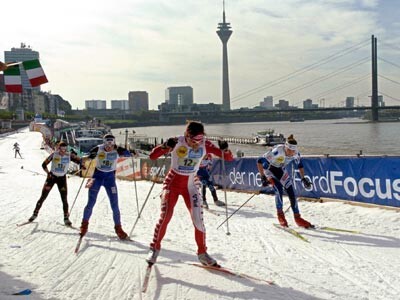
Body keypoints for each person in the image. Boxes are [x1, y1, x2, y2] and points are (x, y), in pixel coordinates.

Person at [146, 121, 234, 267]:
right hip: (172, 183)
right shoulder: (176, 141)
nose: (196, 144)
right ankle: (154, 249)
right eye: (193, 141)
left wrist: (225, 149)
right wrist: (164, 146)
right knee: (166, 216)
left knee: (198, 218)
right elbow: (153, 156)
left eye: (199, 141)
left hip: (191, 185)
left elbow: (228, 158)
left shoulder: (206, 144)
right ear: (187, 136)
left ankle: (202, 253)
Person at [79, 134, 131, 240]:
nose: (109, 146)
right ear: (104, 142)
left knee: (115, 205)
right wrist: (84, 160)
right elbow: (87, 157)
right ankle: (84, 226)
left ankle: (118, 229)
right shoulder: (98, 149)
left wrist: (127, 151)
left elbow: (129, 154)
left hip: (110, 180)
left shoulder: (117, 150)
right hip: (97, 177)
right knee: (91, 202)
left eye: (111, 144)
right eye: (107, 144)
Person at [256, 134, 313, 228]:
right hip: (269, 170)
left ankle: (297, 218)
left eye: (293, 150)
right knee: (279, 189)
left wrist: (303, 178)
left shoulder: (296, 153)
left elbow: (300, 166)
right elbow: (259, 161)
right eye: (290, 150)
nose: (292, 153)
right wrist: (262, 177)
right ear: (285, 147)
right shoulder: (277, 151)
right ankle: (280, 216)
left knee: (291, 191)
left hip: (280, 170)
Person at [28, 141, 82, 225]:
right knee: (43, 196)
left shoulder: (69, 155)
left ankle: (66, 218)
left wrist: (84, 164)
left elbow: (80, 161)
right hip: (52, 178)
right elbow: (43, 164)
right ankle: (34, 214)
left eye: (65, 149)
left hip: (62, 179)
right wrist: (48, 173)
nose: (63, 151)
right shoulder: (54, 155)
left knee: (64, 199)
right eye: (61, 149)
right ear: (58, 148)